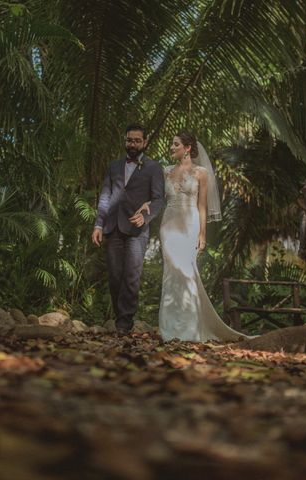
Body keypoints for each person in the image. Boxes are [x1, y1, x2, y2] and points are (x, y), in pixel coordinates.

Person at [137, 132, 249, 342]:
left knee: (187, 273)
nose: (171, 147)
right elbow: (157, 198)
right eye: (172, 144)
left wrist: (202, 234)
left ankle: (189, 328)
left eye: (175, 144)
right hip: (168, 226)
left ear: (187, 148)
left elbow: (202, 206)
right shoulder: (166, 171)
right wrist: (146, 205)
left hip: (190, 225)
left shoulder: (201, 173)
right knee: (171, 275)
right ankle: (170, 328)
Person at [91, 124, 165, 335]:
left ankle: (125, 324)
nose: (132, 144)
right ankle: (119, 318)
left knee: (131, 276)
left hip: (136, 230)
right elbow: (105, 196)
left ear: (145, 142)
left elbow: (159, 199)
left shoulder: (154, 167)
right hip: (112, 227)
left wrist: (146, 215)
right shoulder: (113, 166)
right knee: (115, 276)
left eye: (136, 141)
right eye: (129, 140)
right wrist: (98, 224)